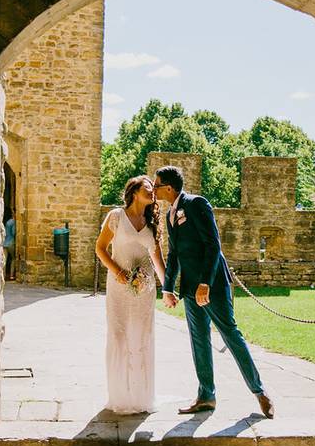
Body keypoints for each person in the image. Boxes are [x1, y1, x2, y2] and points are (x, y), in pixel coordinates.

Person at [152, 165, 275, 418]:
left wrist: (206, 283)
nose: (154, 190)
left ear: (168, 187)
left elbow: (212, 244)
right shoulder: (169, 216)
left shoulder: (197, 204)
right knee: (199, 341)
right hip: (189, 289)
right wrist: (167, 288)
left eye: (156, 186)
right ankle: (206, 396)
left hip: (212, 286)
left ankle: (260, 392)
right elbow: (174, 254)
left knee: (230, 335)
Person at [94, 176, 167, 414]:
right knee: (119, 337)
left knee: (142, 339)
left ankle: (141, 397)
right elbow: (100, 248)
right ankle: (120, 397)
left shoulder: (152, 221)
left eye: (154, 189)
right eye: (148, 188)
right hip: (118, 288)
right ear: (134, 191)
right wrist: (118, 271)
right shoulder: (115, 217)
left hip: (144, 292)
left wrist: (167, 288)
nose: (153, 192)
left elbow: (157, 260)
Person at [2, 212, 16, 281]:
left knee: (4, 259)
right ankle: (11, 275)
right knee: (13, 258)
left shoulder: (8, 222)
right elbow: (13, 232)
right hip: (11, 242)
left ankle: (3, 274)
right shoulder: (13, 222)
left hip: (5, 242)